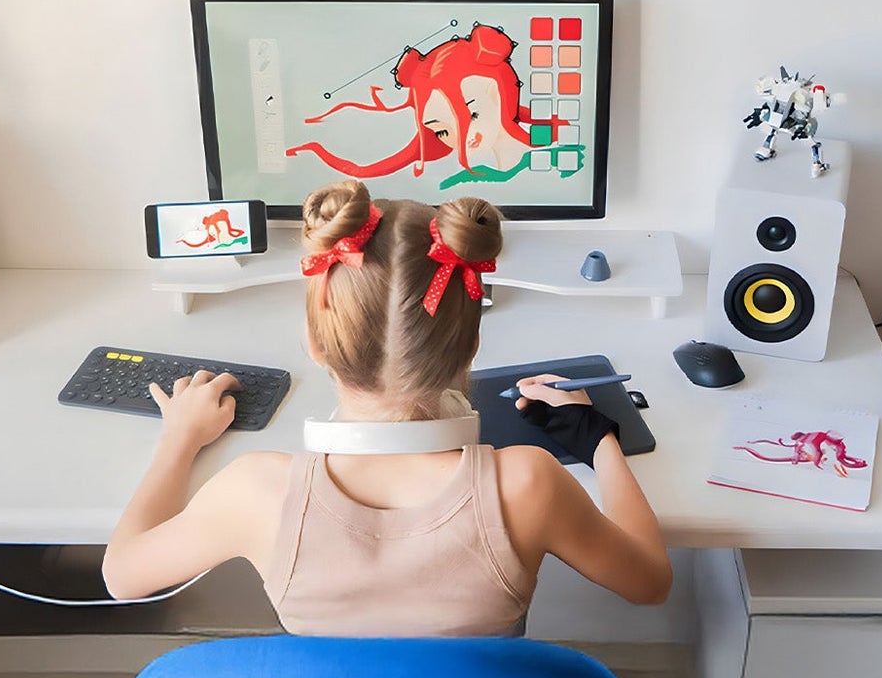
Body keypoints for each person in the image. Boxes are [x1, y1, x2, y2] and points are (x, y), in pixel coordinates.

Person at [102, 178, 672, 634]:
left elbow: (122, 577)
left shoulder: (255, 490)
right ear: (471, 344)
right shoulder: (528, 482)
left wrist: (179, 438)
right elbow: (650, 583)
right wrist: (598, 437)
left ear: (314, 342)